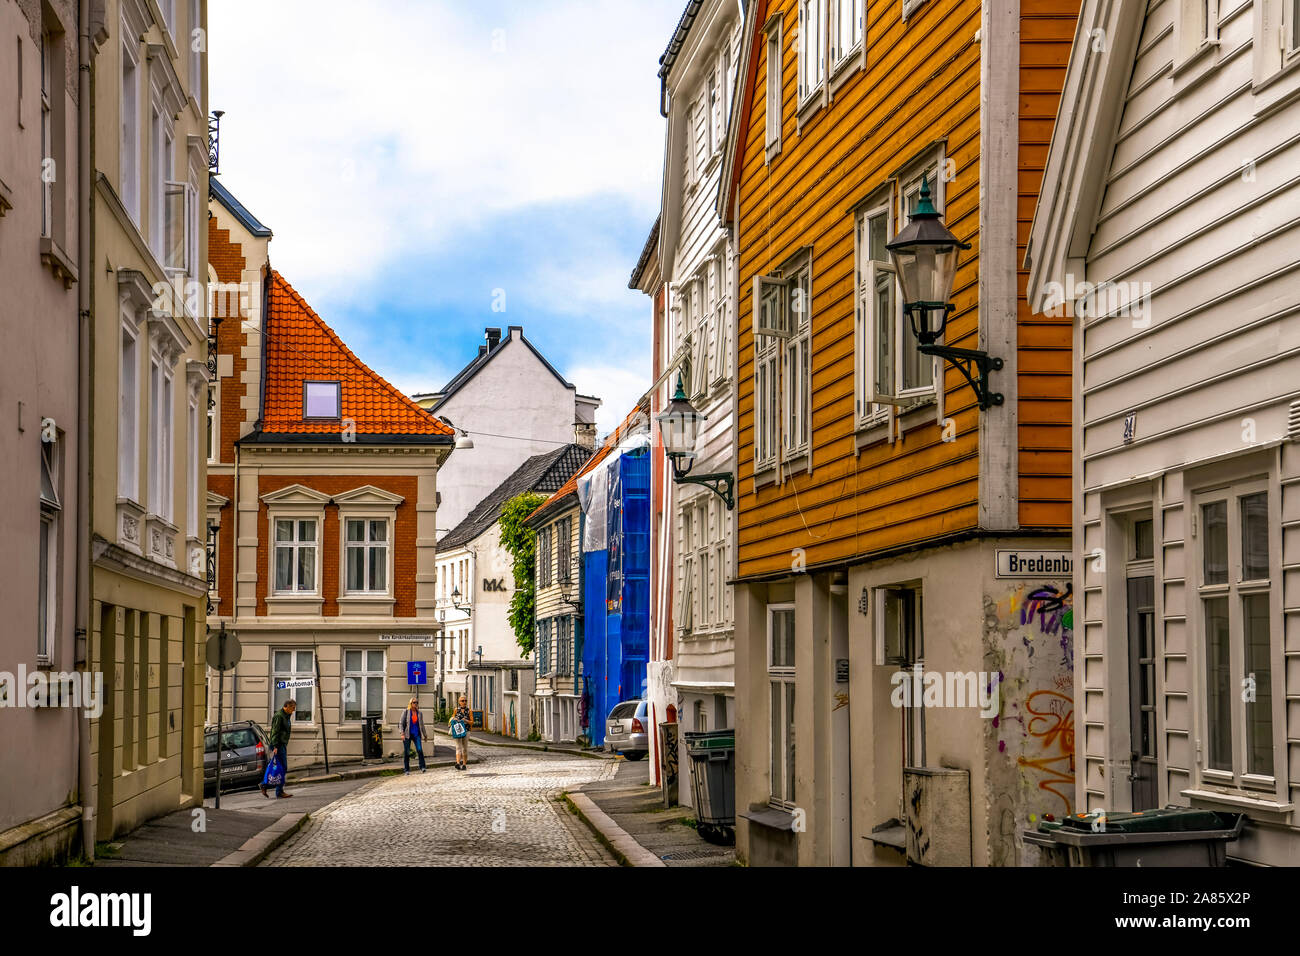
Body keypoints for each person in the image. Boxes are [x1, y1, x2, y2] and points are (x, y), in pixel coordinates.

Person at [263, 698, 295, 798]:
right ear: (287, 706)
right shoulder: (279, 716)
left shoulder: (286, 715)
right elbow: (275, 732)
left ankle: (267, 786)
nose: (294, 710)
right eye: (293, 708)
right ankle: (276, 790)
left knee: (280, 768)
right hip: (278, 744)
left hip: (281, 744)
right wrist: (276, 746)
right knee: (283, 767)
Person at [401, 697, 429, 774]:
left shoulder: (419, 713)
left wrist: (425, 735)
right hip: (407, 734)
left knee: (419, 750)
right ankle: (406, 769)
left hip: (417, 734)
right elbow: (401, 723)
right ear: (410, 703)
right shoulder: (406, 712)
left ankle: (422, 767)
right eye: (414, 702)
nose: (415, 704)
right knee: (407, 752)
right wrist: (402, 733)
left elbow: (422, 725)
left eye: (417, 702)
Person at [451, 695, 471, 771]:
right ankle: (458, 763)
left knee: (464, 748)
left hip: (466, 731)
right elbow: (452, 719)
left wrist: (466, 721)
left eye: (465, 701)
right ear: (459, 702)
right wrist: (454, 719)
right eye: (462, 701)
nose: (464, 702)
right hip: (458, 731)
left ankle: (464, 764)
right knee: (458, 747)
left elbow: (472, 722)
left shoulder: (469, 710)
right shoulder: (456, 710)